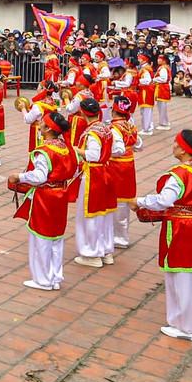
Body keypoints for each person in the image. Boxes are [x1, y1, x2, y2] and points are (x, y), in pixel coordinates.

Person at [136, 129, 192, 342]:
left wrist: (140, 201)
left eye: (176, 144)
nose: (173, 147)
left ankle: (187, 327)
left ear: (183, 150)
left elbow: (164, 200)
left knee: (181, 276)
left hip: (182, 227)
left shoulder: (179, 174)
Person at [9, 110, 77, 291]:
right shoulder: (65, 147)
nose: (39, 125)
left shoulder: (45, 151)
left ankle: (42, 279)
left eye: (42, 123)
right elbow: (76, 169)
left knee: (41, 238)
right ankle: (55, 276)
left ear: (48, 129)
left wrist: (20, 177)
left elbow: (39, 176)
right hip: (61, 194)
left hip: (45, 197)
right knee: (56, 237)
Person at [70, 98, 120, 269]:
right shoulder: (106, 128)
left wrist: (76, 150)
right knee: (104, 214)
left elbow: (93, 155)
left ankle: (92, 253)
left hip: (93, 174)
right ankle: (106, 250)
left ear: (83, 113)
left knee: (90, 214)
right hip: (106, 171)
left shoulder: (92, 132)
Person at [108, 94, 142, 249]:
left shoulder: (114, 128)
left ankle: (119, 237)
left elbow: (119, 149)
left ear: (114, 110)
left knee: (117, 201)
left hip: (117, 167)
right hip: (129, 165)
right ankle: (121, 235)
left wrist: (105, 151)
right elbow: (139, 145)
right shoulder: (130, 126)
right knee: (124, 201)